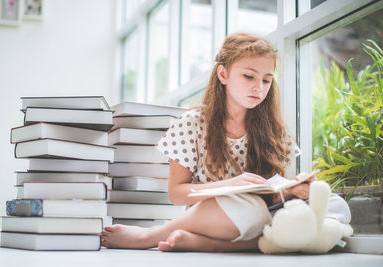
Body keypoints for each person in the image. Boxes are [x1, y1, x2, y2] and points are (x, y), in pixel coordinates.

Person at [101, 33, 351, 252]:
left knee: (336, 205)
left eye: (266, 80)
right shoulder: (192, 122)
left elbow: (273, 195)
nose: (259, 88)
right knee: (250, 210)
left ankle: (210, 245)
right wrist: (231, 186)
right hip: (219, 215)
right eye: (249, 76)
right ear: (223, 74)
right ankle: (150, 236)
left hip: (262, 215)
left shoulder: (275, 130)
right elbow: (176, 194)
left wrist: (293, 190)